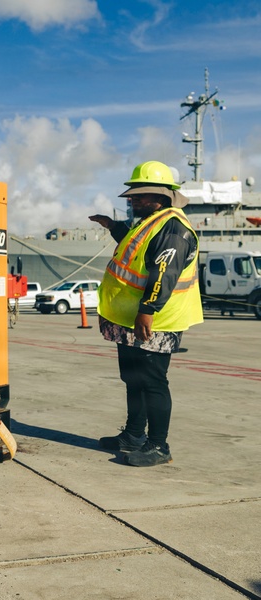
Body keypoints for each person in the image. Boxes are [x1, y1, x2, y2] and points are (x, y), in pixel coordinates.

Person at [89, 161, 203, 467]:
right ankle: (133, 435)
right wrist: (113, 226)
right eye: (132, 195)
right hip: (131, 319)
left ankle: (158, 446)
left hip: (156, 321)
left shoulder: (174, 229)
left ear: (162, 196)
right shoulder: (151, 222)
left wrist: (147, 311)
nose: (132, 199)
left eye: (140, 195)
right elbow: (136, 249)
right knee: (133, 379)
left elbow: (163, 272)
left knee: (153, 382)